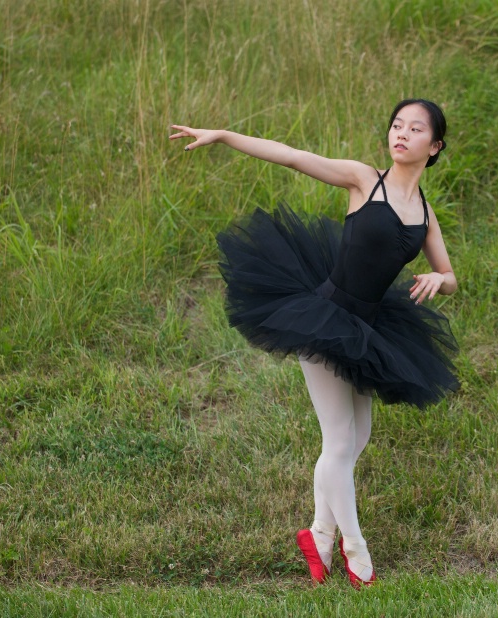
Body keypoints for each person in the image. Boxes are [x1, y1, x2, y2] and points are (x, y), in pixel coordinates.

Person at [169, 99, 459, 589]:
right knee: (340, 440)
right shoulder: (364, 179)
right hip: (324, 318)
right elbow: (290, 155)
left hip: (371, 329)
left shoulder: (426, 215)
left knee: (355, 439)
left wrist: (438, 277)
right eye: (395, 125)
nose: (401, 134)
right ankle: (356, 549)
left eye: (415, 129)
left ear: (434, 147)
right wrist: (223, 134)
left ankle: (319, 533)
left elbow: (451, 277)